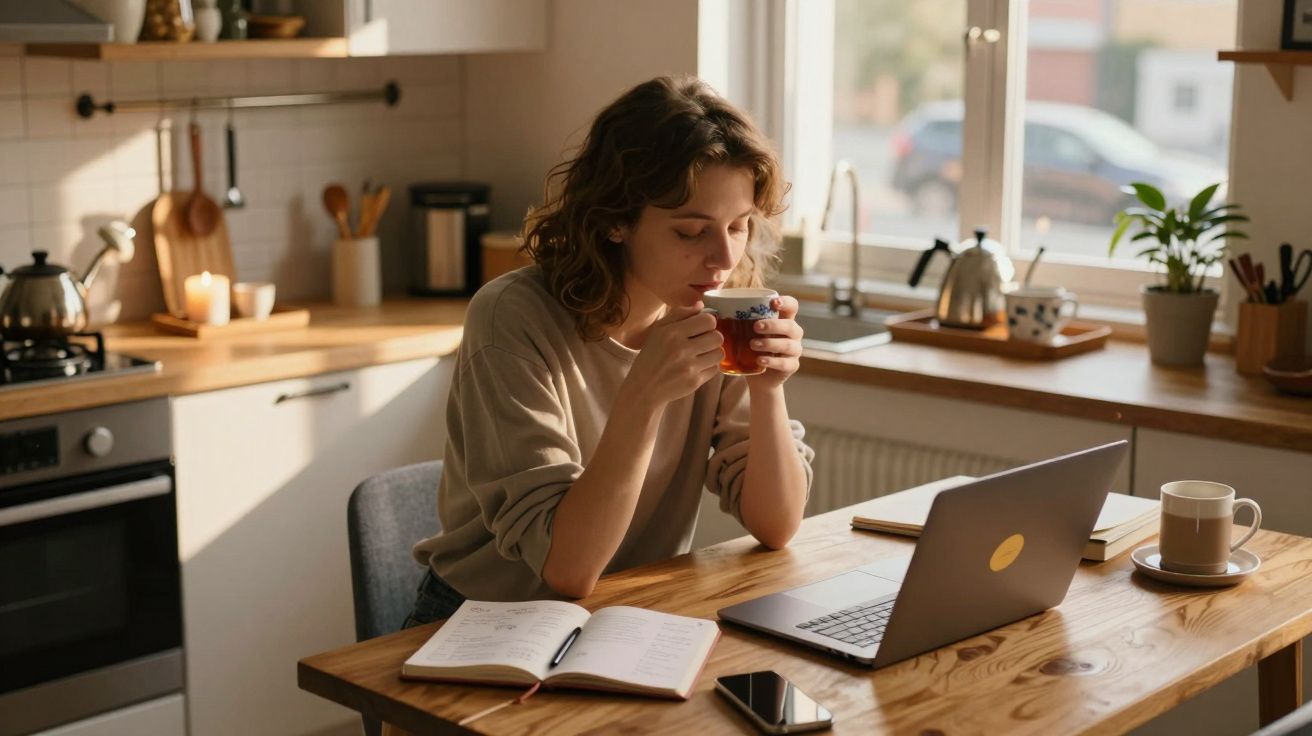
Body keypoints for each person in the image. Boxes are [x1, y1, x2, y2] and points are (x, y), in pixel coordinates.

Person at [405, 75, 815, 627]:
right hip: (485, 623)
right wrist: (642, 400)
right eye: (691, 232)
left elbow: (777, 525)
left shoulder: (717, 307)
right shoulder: (514, 319)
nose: (722, 257)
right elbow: (565, 570)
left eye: (739, 226)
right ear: (617, 220)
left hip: (627, 613)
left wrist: (768, 393)